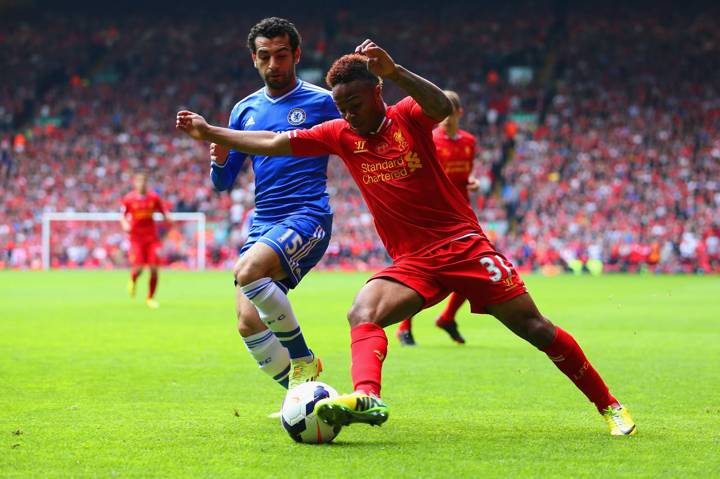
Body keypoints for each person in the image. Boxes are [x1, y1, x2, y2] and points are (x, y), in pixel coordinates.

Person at [176, 40, 637, 436]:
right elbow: (276, 143)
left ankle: (610, 406)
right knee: (363, 310)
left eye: (354, 103)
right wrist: (210, 132)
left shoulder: (407, 116)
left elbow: (440, 107)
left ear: (377, 91)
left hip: (463, 246)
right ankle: (366, 397)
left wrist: (395, 71)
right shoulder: (339, 133)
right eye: (340, 107)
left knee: (535, 329)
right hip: (413, 261)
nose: (348, 114)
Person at [210, 17, 340, 390]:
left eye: (281, 55)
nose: (273, 65)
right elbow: (222, 183)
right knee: (247, 322)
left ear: (296, 55)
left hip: (307, 214)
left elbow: (355, 144)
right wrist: (219, 159)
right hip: (264, 222)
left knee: (248, 270)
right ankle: (302, 398)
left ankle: (303, 358)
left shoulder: (322, 102)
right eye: (264, 56)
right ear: (253, 59)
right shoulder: (243, 110)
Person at [396, 90, 480, 346]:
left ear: (458, 113)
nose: (443, 118)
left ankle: (447, 317)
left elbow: (462, 177)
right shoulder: (429, 140)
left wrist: (470, 182)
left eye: (448, 112)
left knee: (476, 267)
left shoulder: (469, 142)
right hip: (434, 216)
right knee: (423, 273)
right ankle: (405, 327)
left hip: (462, 213)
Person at [121, 172, 170, 309]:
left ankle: (150, 298)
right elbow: (123, 216)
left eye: (143, 182)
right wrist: (125, 224)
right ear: (135, 183)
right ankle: (133, 278)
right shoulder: (128, 199)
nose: (141, 184)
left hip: (152, 238)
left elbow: (164, 212)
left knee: (154, 268)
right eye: (139, 182)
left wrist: (168, 219)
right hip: (136, 238)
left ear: (146, 183)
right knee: (140, 267)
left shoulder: (153, 198)